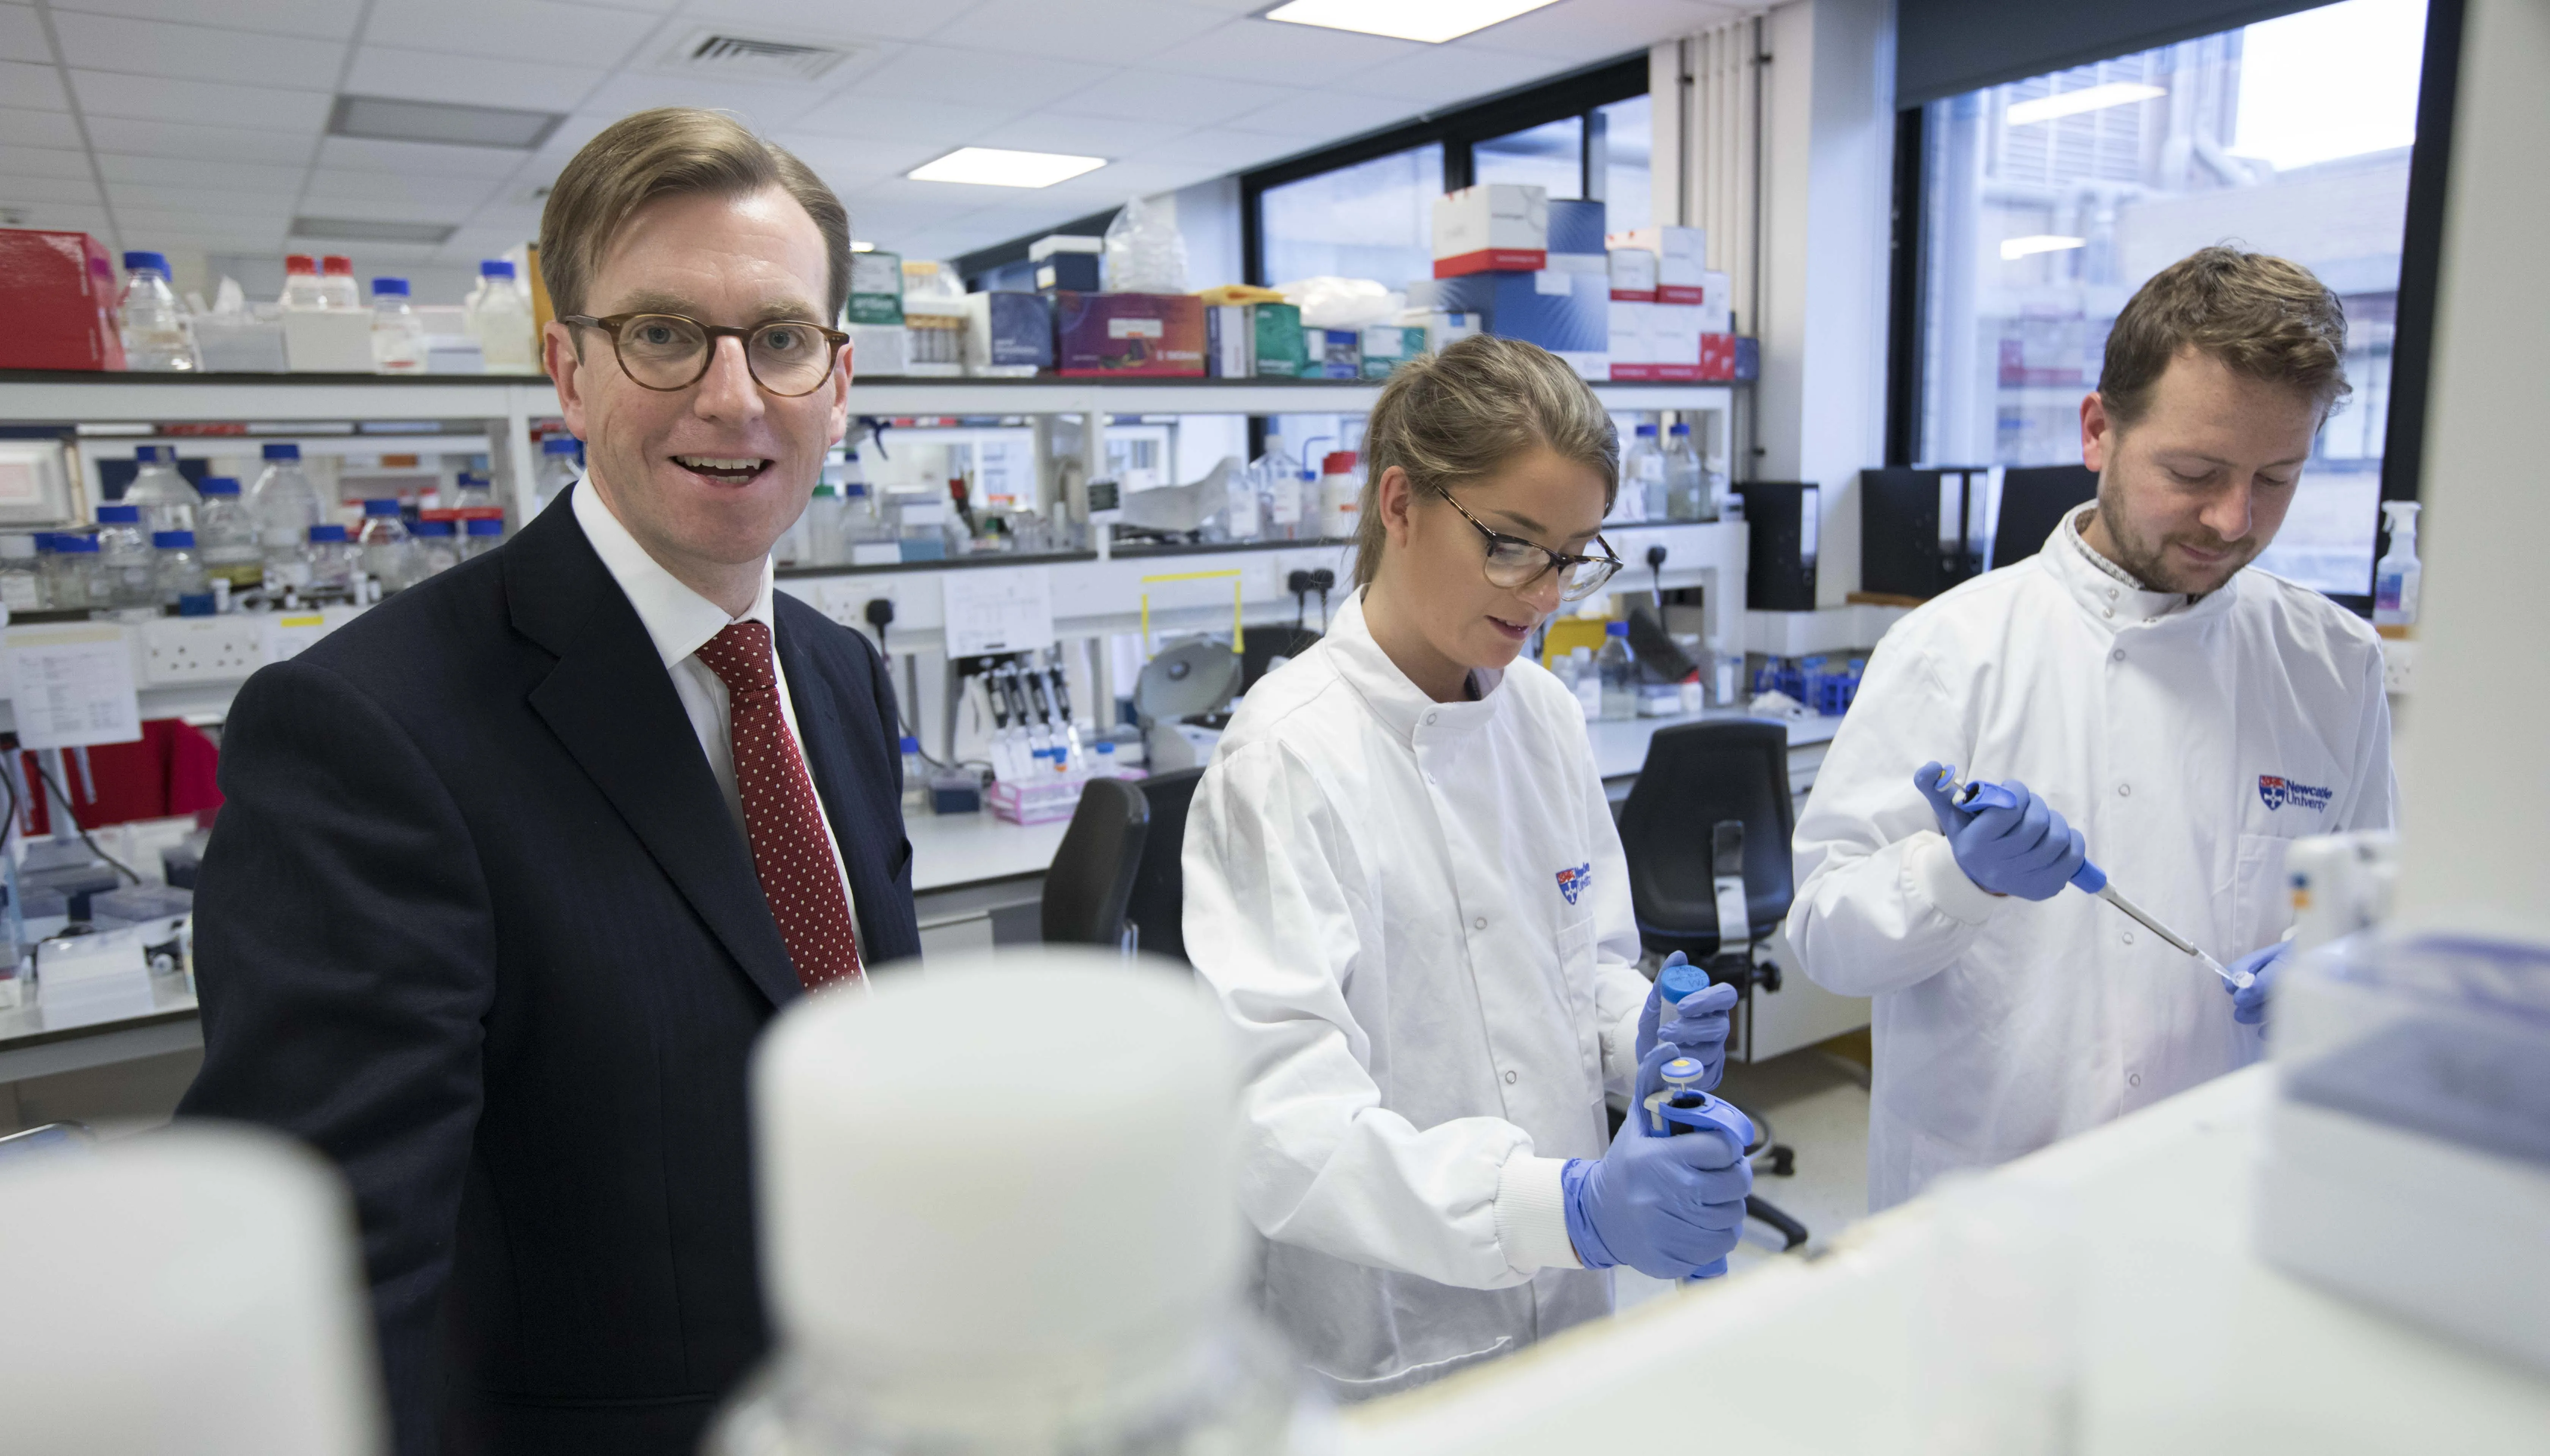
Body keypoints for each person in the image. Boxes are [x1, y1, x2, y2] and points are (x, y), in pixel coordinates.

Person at [178, 109, 920, 1456]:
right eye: (660, 334)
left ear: (839, 374)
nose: (732, 396)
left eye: (780, 337)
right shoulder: (367, 732)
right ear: (566, 373)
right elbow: (326, 1283)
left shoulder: (834, 676)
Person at [1182, 335, 1753, 1399]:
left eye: (1574, 552)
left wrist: (1640, 1032)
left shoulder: (1540, 714)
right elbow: (1282, 1127)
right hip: (1385, 1344)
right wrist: (1565, 1206)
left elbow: (1583, 958)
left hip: (1571, 1304)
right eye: (1510, 544)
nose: (1544, 592)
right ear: (1398, 504)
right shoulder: (1285, 757)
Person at [1787, 246, 2394, 1210]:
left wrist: (2342, 971)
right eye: (2193, 470)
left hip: (2224, 1192)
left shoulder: (2334, 663)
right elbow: (1823, 936)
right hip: (1985, 1204)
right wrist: (1955, 879)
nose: (2231, 518)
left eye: (2275, 479)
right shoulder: (1952, 647)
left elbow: (2371, 903)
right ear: (2096, 430)